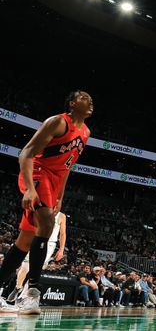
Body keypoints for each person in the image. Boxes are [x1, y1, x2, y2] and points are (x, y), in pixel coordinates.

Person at [0, 91, 92, 315]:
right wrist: (30, 189)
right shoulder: (58, 122)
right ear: (71, 103)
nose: (89, 100)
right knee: (48, 224)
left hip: (54, 181)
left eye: (91, 99)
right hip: (37, 173)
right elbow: (26, 153)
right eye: (83, 97)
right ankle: (33, 293)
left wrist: (61, 196)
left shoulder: (86, 132)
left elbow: (67, 166)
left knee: (23, 242)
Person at [8, 211, 66, 303]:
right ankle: (18, 287)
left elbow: (62, 233)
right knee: (24, 268)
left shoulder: (61, 216)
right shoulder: (42, 209)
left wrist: (61, 249)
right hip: (35, 240)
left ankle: (23, 297)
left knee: (35, 270)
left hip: (49, 244)